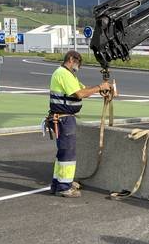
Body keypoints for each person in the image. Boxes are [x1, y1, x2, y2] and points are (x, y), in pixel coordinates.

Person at [47, 50, 111, 198]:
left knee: (63, 153)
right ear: (71, 59)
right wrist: (101, 87)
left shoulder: (69, 75)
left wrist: (98, 89)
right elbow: (80, 94)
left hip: (63, 118)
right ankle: (64, 187)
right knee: (68, 153)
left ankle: (58, 183)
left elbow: (83, 89)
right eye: (78, 63)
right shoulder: (63, 73)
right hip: (64, 119)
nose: (79, 67)